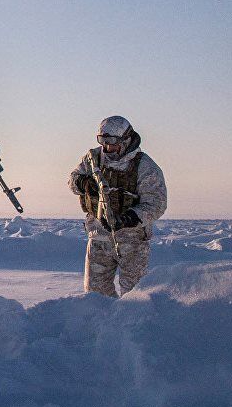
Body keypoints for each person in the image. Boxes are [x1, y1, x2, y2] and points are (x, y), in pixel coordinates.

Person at [69, 116, 167, 297]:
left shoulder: (145, 167)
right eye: (102, 141)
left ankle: (132, 324)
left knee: (135, 295)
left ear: (125, 139)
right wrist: (83, 183)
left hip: (132, 241)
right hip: (99, 237)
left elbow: (156, 204)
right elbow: (72, 181)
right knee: (95, 295)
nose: (107, 147)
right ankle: (102, 324)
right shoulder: (92, 159)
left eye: (111, 142)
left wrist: (129, 218)